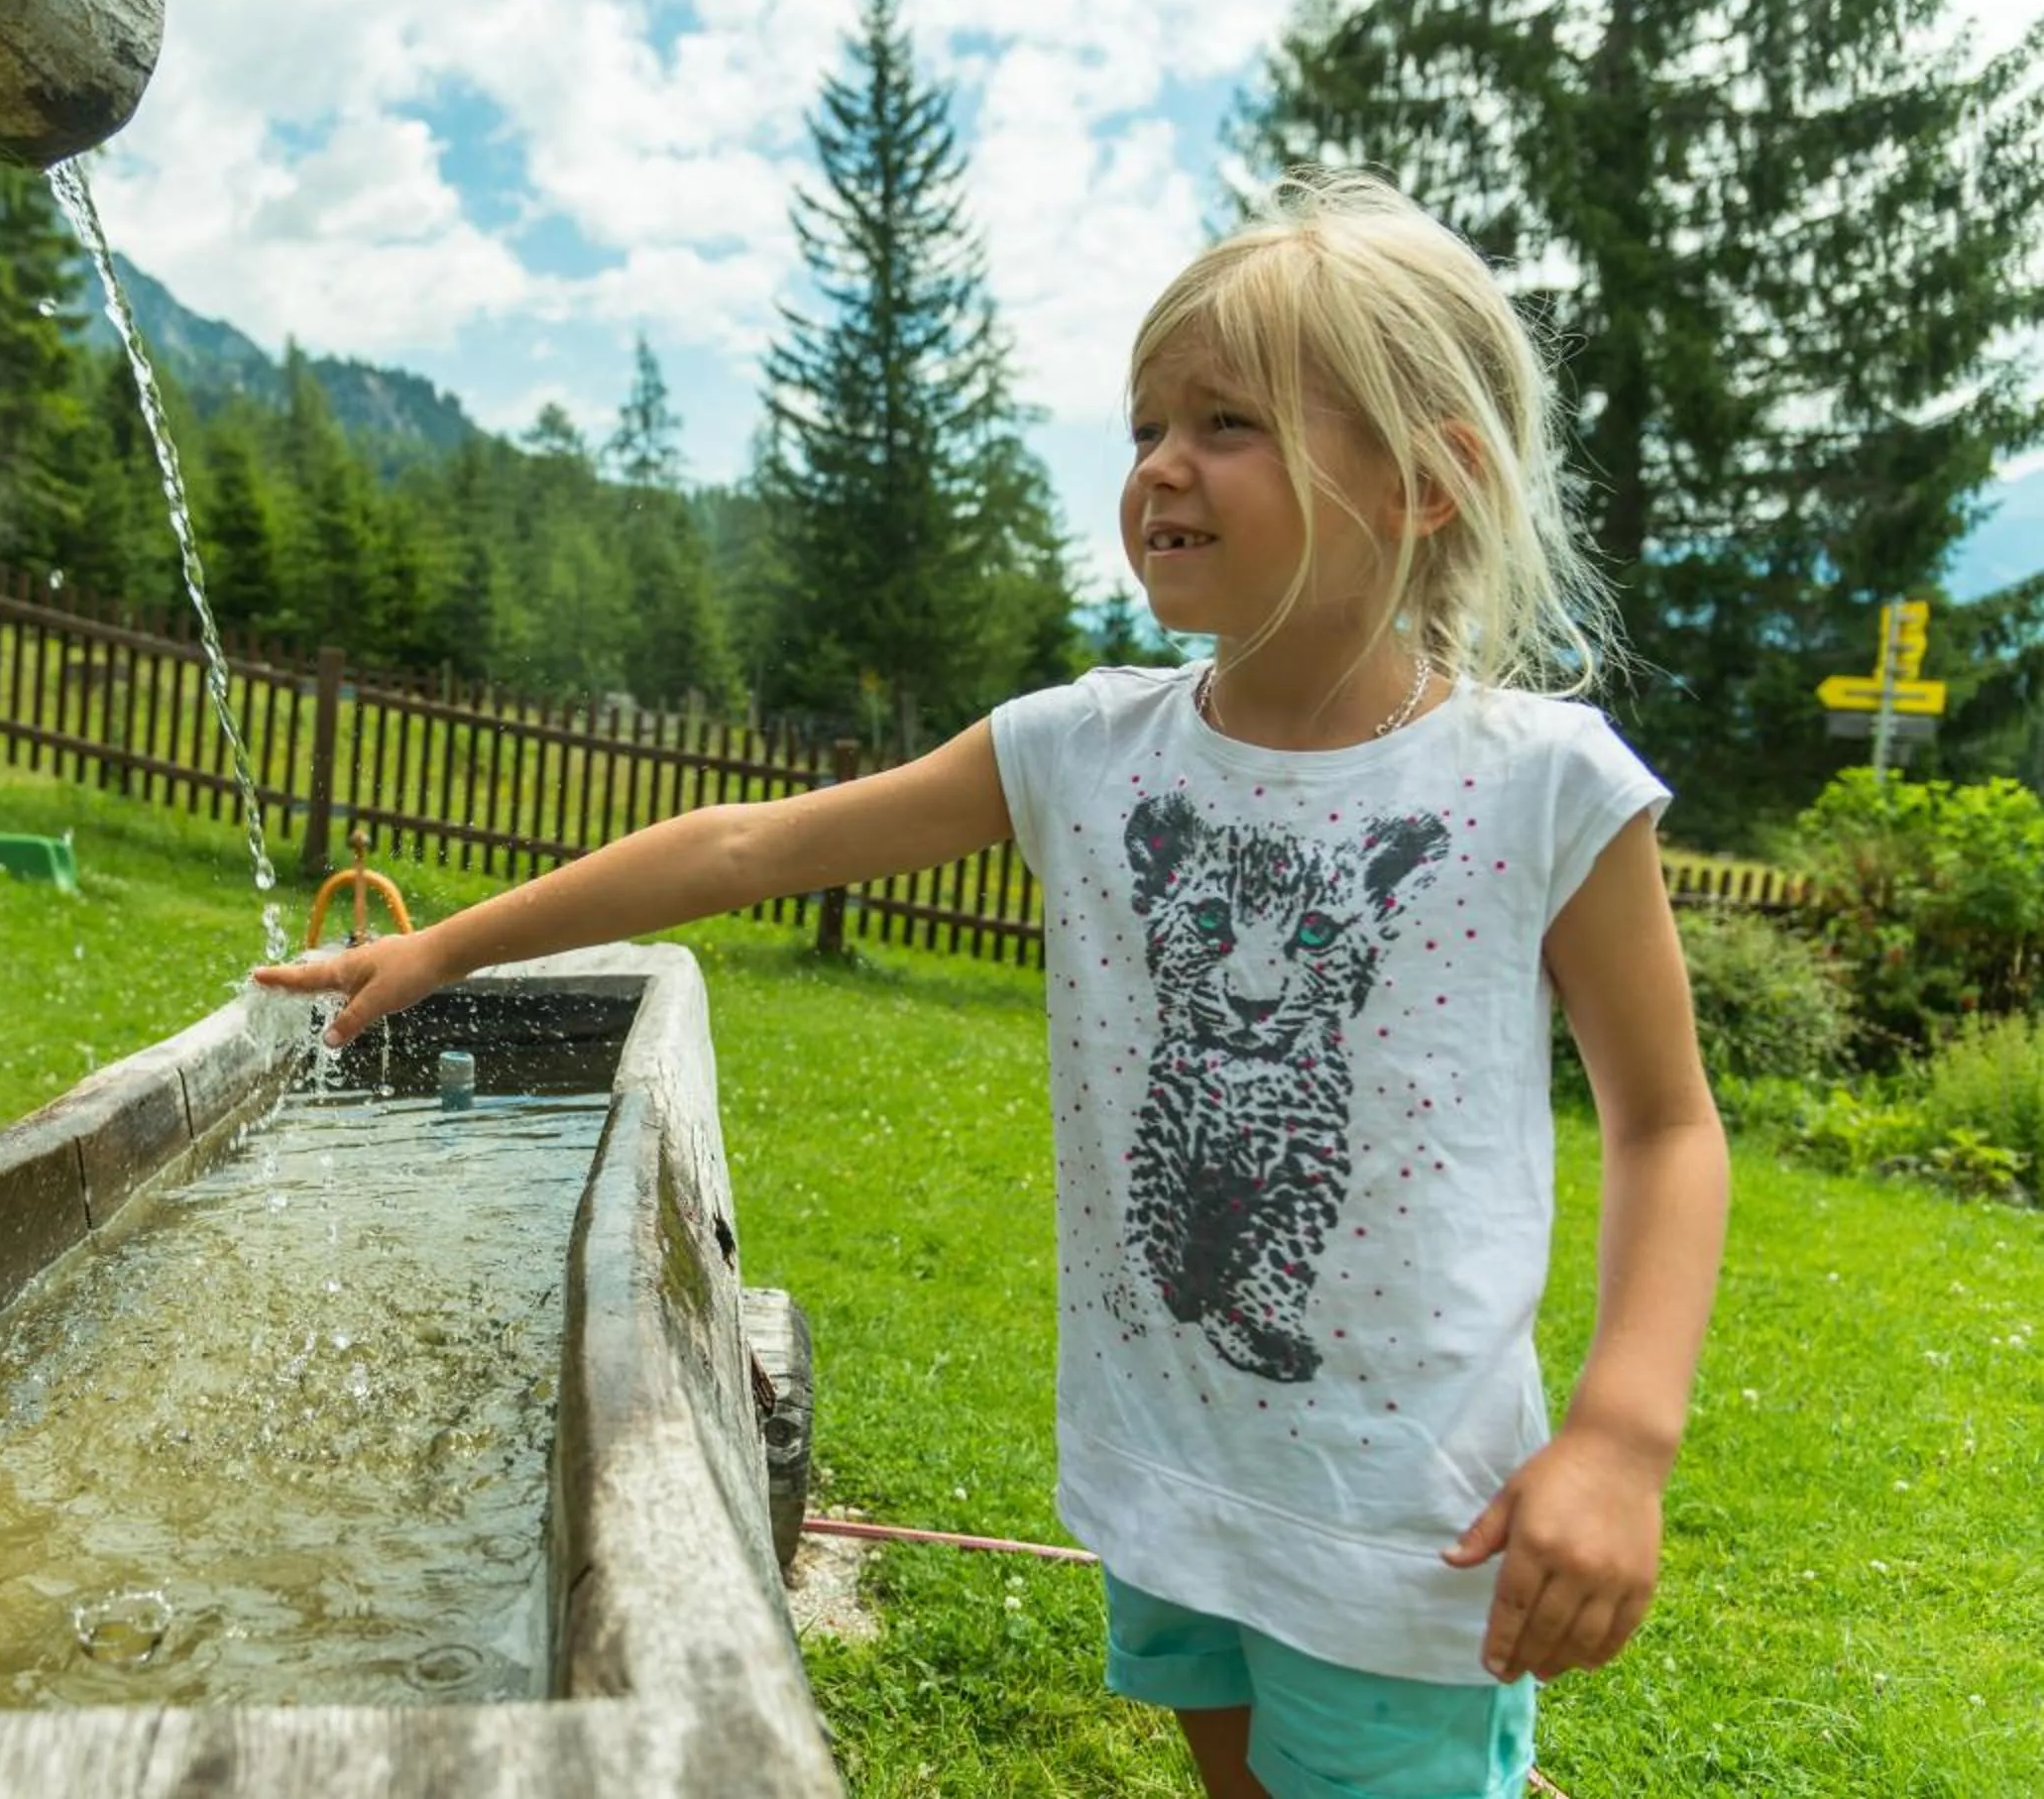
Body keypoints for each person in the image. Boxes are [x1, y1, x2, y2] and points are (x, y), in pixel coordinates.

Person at [254, 168, 1728, 1799]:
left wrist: (1620, 1437)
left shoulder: (1540, 788)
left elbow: (1666, 1126)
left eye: (1227, 422)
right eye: (1147, 425)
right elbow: (744, 845)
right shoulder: (1080, 750)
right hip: (1169, 1476)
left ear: (1426, 480)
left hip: (1405, 1526)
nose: (1161, 464)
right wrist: (448, 946)